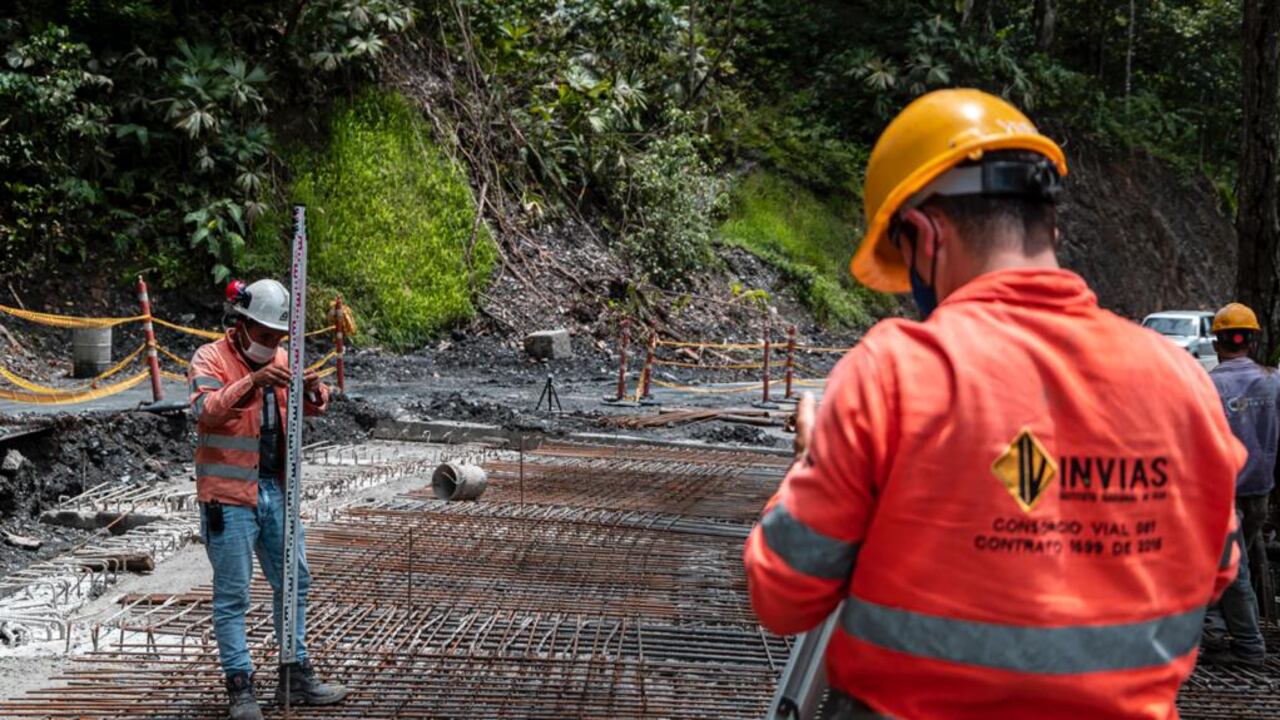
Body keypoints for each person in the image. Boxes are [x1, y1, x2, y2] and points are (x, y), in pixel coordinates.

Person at [743, 89, 1244, 719]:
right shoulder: (1185, 385)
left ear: (923, 234)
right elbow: (1217, 568)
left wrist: (809, 468)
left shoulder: (894, 373)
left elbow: (783, 596)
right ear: (1050, 227)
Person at [188, 279, 349, 720]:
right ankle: (240, 685)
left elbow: (312, 406)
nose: (271, 345)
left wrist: (313, 389)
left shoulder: (280, 358)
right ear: (240, 325)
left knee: (294, 583)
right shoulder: (210, 358)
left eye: (277, 338)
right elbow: (205, 410)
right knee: (233, 596)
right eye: (264, 337)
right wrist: (254, 382)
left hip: (277, 490)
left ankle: (294, 671)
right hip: (229, 499)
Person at [1202, 302, 1275, 667]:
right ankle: (1213, 629)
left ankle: (1249, 646)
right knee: (1225, 564)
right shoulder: (1273, 381)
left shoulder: (1209, 385)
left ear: (1217, 343)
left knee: (1233, 571)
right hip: (1260, 493)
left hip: (1224, 493)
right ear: (1251, 340)